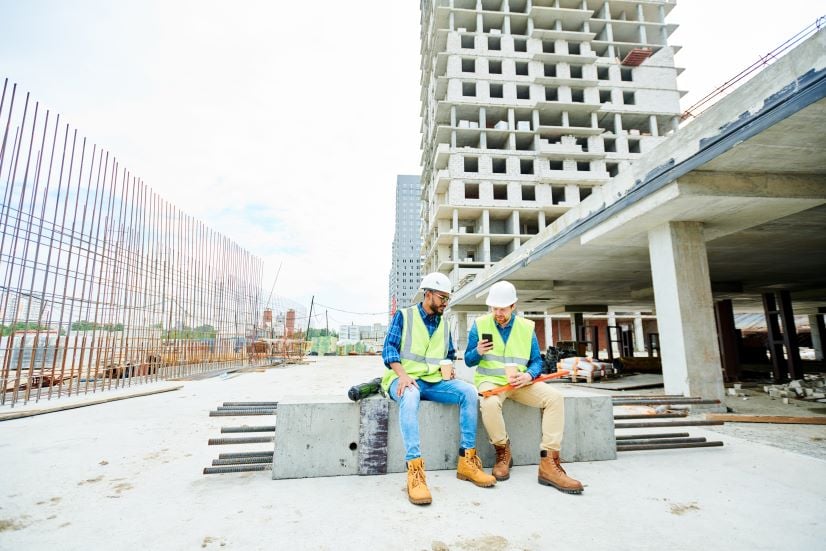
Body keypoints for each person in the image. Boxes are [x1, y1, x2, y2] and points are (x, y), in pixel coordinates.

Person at [382, 272, 496, 505]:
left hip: (433, 381)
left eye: (447, 298)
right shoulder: (404, 316)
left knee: (468, 391)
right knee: (411, 394)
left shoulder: (444, 324)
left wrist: (450, 369)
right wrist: (402, 376)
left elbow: (449, 355)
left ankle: (467, 460)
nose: (445, 302)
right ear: (428, 294)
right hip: (402, 379)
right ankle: (415, 471)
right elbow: (389, 350)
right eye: (442, 297)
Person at [464, 280, 584, 494]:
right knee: (489, 404)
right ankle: (503, 452)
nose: (498, 313)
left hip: (519, 383)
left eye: (502, 308)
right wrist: (478, 351)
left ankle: (549, 463)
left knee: (554, 398)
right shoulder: (480, 325)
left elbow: (537, 361)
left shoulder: (526, 327)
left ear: (513, 306)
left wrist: (528, 375)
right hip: (491, 383)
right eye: (494, 308)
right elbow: (468, 360)